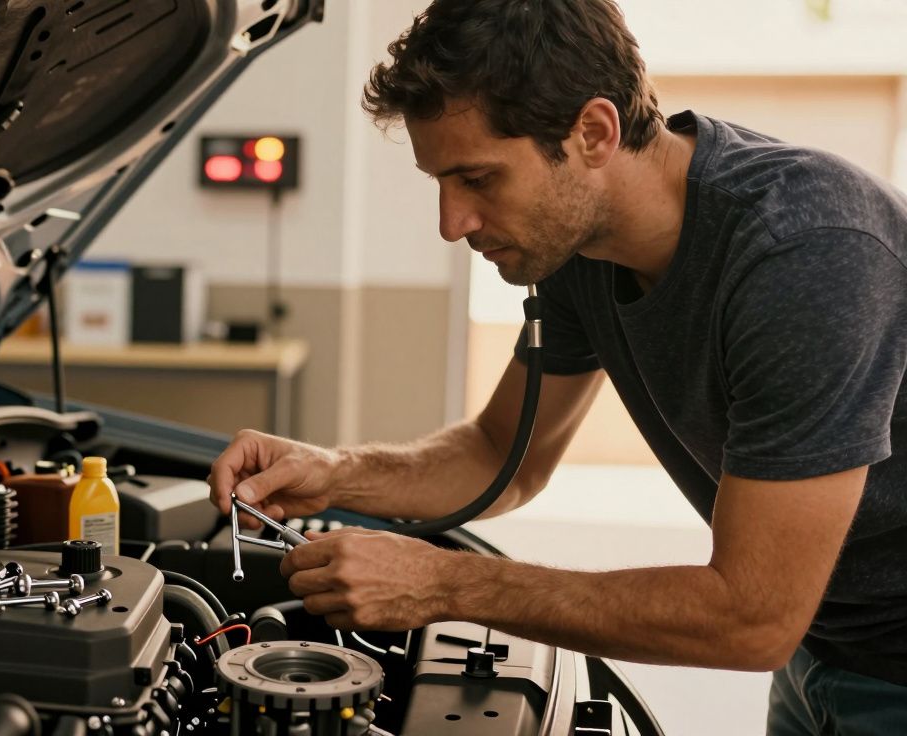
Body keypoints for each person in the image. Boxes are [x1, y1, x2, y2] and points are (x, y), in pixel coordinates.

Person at [206, 1, 907, 733]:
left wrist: (445, 583)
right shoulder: (583, 250)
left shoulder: (806, 254)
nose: (451, 223)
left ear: (594, 133)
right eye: (441, 183)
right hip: (822, 652)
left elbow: (751, 619)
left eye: (478, 178)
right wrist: (334, 474)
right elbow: (500, 454)